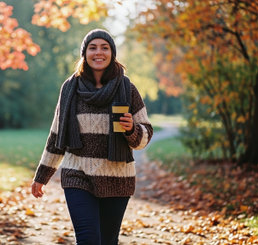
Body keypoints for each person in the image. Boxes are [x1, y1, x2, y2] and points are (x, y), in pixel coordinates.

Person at [31, 29, 153, 245]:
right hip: (78, 175)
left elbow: (145, 136)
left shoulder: (127, 89)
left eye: (104, 48)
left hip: (117, 178)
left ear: (112, 53)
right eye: (92, 47)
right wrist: (42, 176)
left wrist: (132, 129)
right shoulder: (70, 89)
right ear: (84, 53)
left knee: (107, 240)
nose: (99, 52)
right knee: (88, 240)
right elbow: (56, 135)